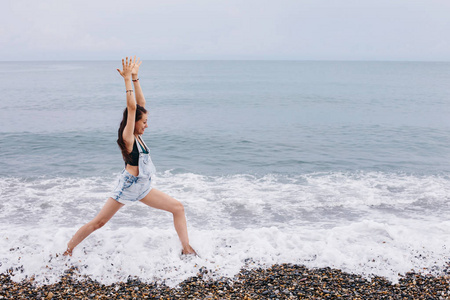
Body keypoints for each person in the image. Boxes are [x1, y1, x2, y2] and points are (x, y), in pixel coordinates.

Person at [64, 56, 196, 256]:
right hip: (127, 187)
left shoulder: (137, 134)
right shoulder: (128, 137)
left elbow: (140, 105)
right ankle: (67, 251)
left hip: (143, 187)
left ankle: (187, 249)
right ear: (133, 122)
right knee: (98, 223)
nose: (146, 125)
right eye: (143, 122)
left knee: (178, 208)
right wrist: (126, 79)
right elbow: (133, 108)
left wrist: (135, 77)